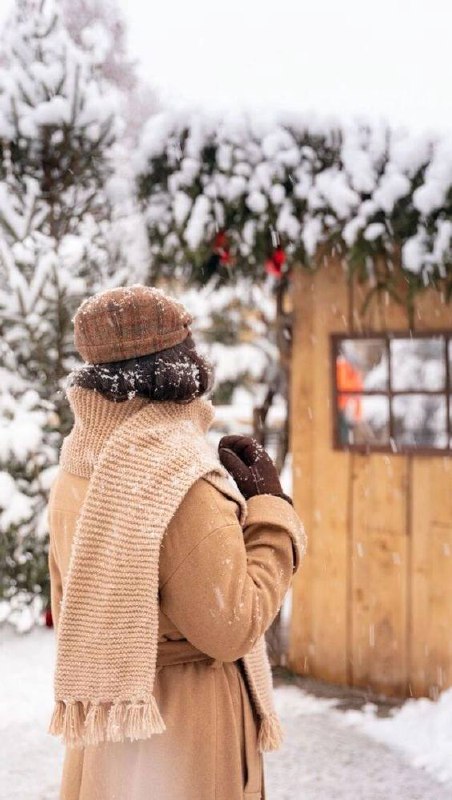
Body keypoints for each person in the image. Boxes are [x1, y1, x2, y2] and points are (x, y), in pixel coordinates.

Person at [47, 284, 305, 800]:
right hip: (185, 729)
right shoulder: (176, 477)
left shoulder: (76, 467)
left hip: (111, 726)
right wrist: (271, 510)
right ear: (177, 365)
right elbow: (232, 624)